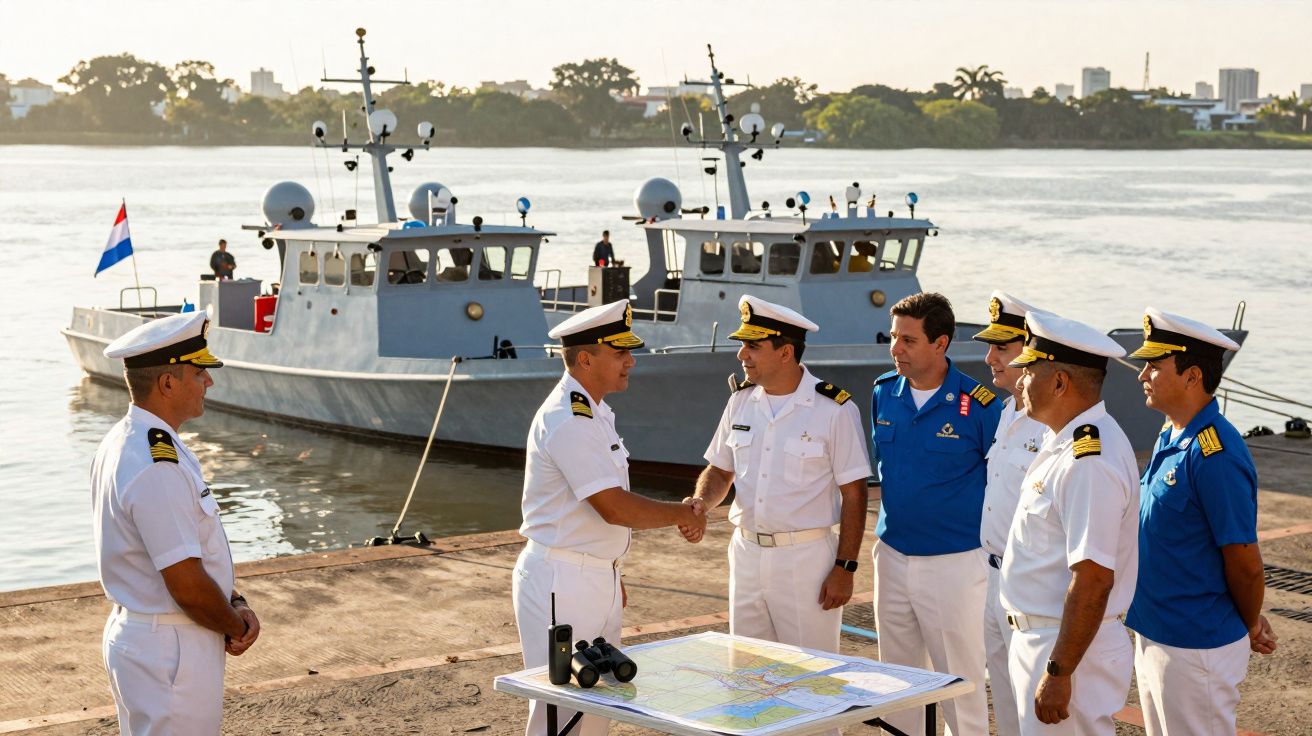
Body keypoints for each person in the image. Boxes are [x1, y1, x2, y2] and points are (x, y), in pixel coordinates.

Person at [512, 299, 705, 736]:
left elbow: (600, 516)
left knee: (601, 704)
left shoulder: (595, 413)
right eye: (620, 353)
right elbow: (613, 506)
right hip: (562, 581)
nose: (630, 362)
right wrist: (680, 514)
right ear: (585, 358)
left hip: (591, 576)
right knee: (558, 712)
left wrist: (609, 568)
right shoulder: (568, 418)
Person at [93, 311, 260, 735]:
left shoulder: (128, 441)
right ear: (168, 383)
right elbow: (185, 582)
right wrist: (236, 624)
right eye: (199, 372)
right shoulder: (156, 464)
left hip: (152, 639)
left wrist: (233, 598)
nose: (209, 382)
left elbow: (191, 549)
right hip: (172, 647)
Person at [689, 296, 871, 671]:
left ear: (786, 352)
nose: (742, 355)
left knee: (813, 679)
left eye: (753, 346)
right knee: (748, 675)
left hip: (805, 561)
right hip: (747, 555)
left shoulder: (834, 410)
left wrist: (846, 568)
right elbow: (721, 471)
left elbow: (854, 493)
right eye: (742, 345)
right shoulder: (740, 402)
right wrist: (701, 503)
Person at [1125, 308, 1277, 735]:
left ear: (1192, 376)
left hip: (1195, 646)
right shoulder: (1172, 433)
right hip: (1156, 630)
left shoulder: (1215, 454)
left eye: (1155, 365)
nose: (1142, 375)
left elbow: (1244, 560)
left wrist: (1249, 621)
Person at [999, 310, 1138, 734]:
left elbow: (1093, 578)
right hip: (1047, 641)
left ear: (1059, 382)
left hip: (1066, 649)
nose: (1019, 380)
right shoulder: (1063, 443)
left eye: (1028, 371)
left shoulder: (1087, 462)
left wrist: (1059, 672)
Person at [870, 291, 1002, 736]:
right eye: (894, 337)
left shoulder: (982, 405)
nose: (896, 349)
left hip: (955, 564)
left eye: (907, 340)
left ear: (941, 343)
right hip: (892, 557)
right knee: (897, 683)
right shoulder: (884, 393)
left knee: (959, 686)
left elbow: (1003, 484)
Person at [971, 291, 1048, 736]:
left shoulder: (1053, 427)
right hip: (994, 579)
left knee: (1038, 716)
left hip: (1033, 586)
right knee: (1005, 706)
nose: (989, 358)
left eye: (1002, 347)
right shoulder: (1006, 412)